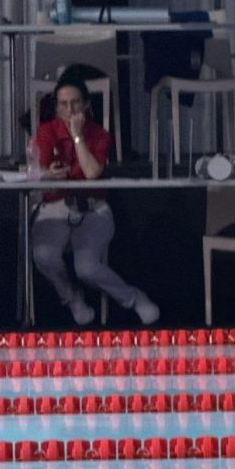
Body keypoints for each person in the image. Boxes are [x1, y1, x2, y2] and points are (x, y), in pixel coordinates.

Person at [31, 69, 159, 326]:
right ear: (56, 108)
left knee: (86, 267)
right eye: (63, 104)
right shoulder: (45, 131)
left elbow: (91, 172)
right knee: (44, 255)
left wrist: (77, 136)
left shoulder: (99, 134)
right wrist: (49, 174)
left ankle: (133, 298)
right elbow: (37, 172)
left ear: (86, 105)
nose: (69, 109)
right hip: (54, 206)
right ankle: (72, 297)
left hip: (92, 209)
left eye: (75, 102)